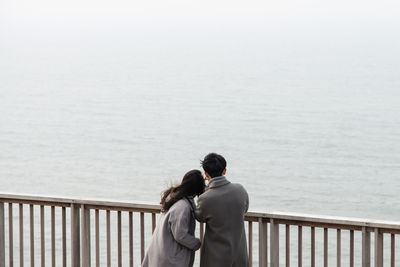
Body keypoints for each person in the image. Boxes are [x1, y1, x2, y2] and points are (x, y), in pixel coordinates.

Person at [195, 153, 250, 267]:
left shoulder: (205, 198)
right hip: (239, 256)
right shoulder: (240, 190)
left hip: (215, 259)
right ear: (224, 171)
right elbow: (245, 209)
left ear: (206, 173)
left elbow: (199, 217)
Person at [142, 169, 205, 267]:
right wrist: (197, 243)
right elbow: (180, 235)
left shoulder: (174, 198)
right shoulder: (182, 206)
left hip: (162, 252)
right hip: (171, 258)